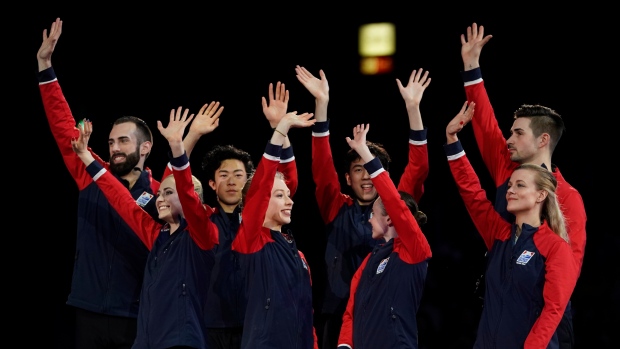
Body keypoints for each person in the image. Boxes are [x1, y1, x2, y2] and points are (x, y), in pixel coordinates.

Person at [460, 22, 587, 347]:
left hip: (547, 323)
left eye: (518, 133)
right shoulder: (507, 169)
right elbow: (485, 125)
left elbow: (567, 275)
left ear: (543, 140)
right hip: (502, 309)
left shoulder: (569, 197)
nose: (508, 139)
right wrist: (472, 67)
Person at [38, 18, 160, 348]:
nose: (115, 149)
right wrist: (45, 67)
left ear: (145, 147)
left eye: (123, 141)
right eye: (110, 142)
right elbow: (65, 130)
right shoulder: (92, 174)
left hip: (138, 313)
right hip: (88, 310)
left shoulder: (163, 193)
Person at [295, 65, 430, 349]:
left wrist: (414, 110)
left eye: (371, 169)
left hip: (384, 315)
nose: (367, 176)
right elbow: (321, 168)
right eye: (358, 170)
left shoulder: (397, 210)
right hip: (338, 315)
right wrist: (322, 106)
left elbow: (418, 168)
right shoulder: (336, 207)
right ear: (347, 178)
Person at [72, 107, 220, 348]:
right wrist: (87, 158)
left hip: (182, 337)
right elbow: (121, 200)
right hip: (149, 335)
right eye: (159, 193)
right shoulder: (156, 235)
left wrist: (180, 144)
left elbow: (186, 191)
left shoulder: (202, 235)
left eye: (168, 193)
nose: (159, 198)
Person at [444, 101, 579, 348]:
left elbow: (554, 309)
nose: (510, 191)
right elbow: (472, 193)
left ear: (540, 195)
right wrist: (452, 140)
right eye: (509, 185)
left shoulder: (555, 247)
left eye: (520, 185)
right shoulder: (499, 234)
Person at [200, 81, 299, 349]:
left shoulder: (261, 226)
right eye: (224, 175)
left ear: (251, 183)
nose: (232, 182)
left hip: (254, 322)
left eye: (239, 176)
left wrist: (280, 129)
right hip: (211, 323)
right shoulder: (203, 220)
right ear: (211, 184)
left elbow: (285, 180)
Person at [336, 124, 432, 349]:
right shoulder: (370, 260)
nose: (369, 220)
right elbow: (351, 311)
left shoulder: (414, 250)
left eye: (373, 215)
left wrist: (366, 153)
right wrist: (344, 345)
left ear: (390, 219)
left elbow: (393, 201)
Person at [231, 111, 319, 349]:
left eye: (288, 196)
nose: (290, 201)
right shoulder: (251, 240)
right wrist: (281, 129)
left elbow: (306, 313)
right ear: (257, 203)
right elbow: (263, 182)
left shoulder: (299, 256)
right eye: (280, 196)